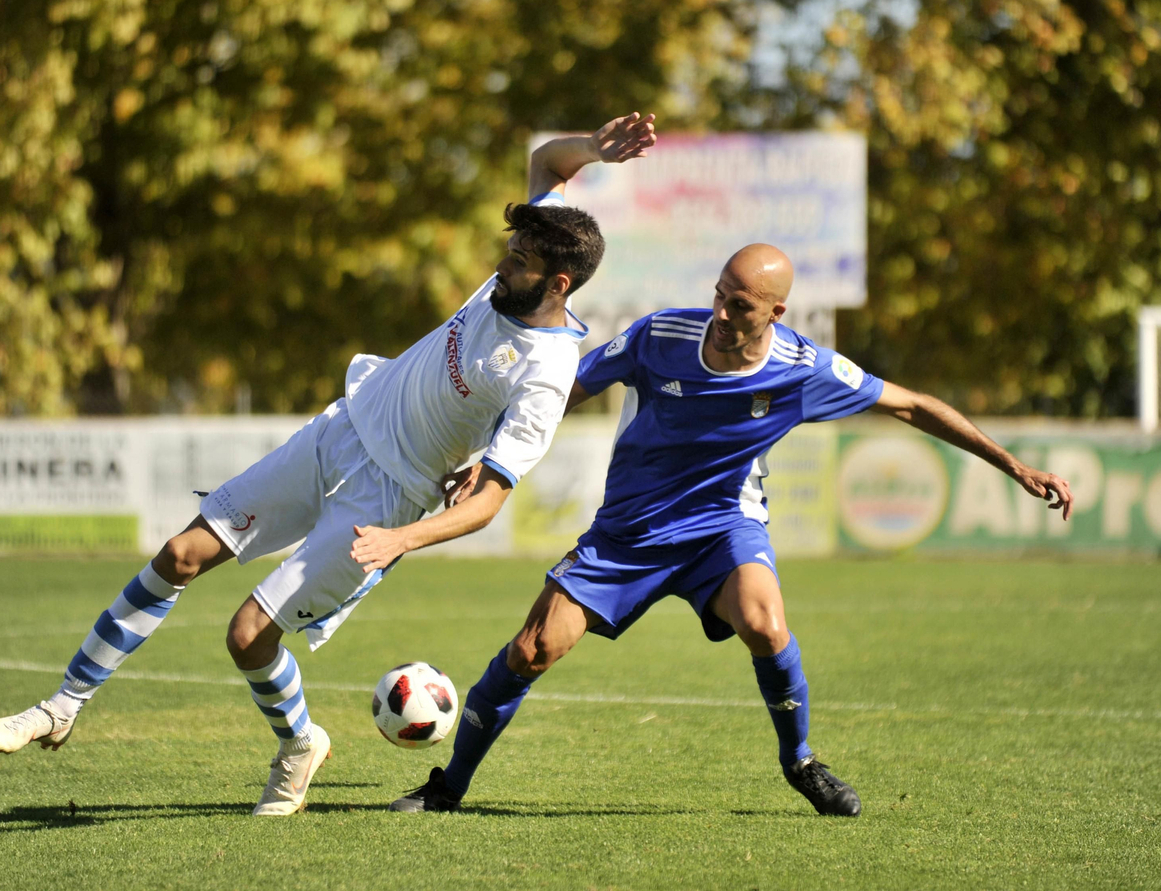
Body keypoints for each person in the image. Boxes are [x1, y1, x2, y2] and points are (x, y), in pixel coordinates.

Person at [0, 111, 658, 817]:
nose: (502, 265)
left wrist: (400, 540)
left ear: (560, 281)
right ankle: (62, 704)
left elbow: (487, 500)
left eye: (518, 262)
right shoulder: (514, 273)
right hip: (337, 430)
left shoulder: (546, 373)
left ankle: (300, 742)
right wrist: (596, 151)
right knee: (179, 554)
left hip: (387, 502)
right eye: (509, 249)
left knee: (247, 635)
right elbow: (550, 161)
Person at [381, 243, 1074, 817]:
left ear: (776, 311)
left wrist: (1013, 465)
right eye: (718, 293)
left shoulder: (805, 370)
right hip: (626, 532)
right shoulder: (661, 336)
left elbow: (914, 405)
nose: (719, 311)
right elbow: (565, 394)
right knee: (531, 649)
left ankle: (800, 762)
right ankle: (448, 788)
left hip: (721, 527)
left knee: (767, 624)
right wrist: (489, 463)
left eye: (738, 304)